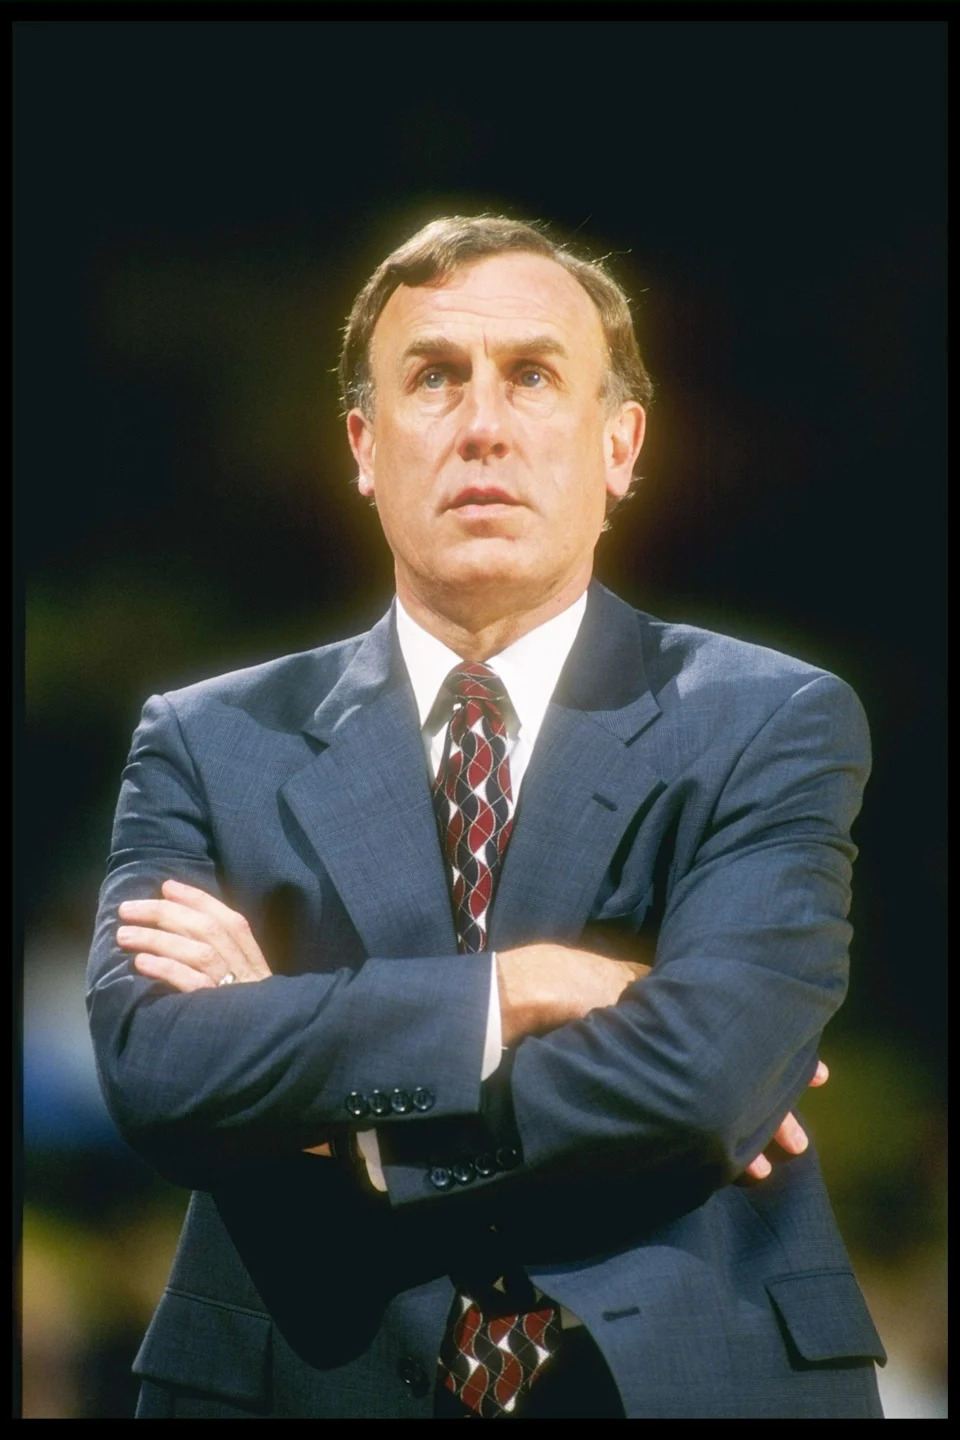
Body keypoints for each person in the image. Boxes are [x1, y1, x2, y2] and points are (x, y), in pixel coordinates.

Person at [86, 215, 886, 1418]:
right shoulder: (209, 738)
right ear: (363, 444)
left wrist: (336, 1126)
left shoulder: (772, 720)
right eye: (434, 379)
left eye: (532, 375)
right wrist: (511, 994)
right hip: (294, 1381)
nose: (483, 426)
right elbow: (160, 1069)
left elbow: (700, 1087)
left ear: (621, 445)